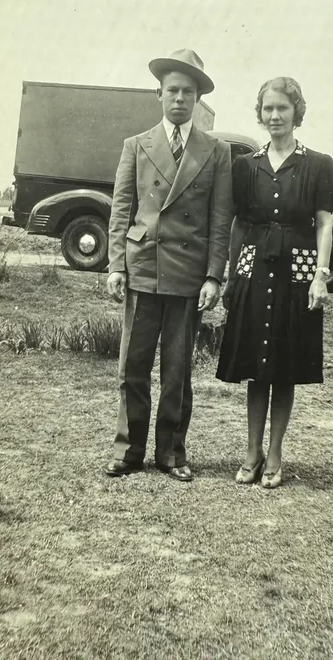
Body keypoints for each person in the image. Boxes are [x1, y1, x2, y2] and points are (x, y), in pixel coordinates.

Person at [105, 49, 232, 482]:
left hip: (187, 274)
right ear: (158, 94)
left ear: (198, 99)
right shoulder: (136, 145)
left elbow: (220, 219)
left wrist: (214, 275)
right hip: (142, 267)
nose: (180, 99)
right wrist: (116, 265)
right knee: (132, 367)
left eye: (188, 92)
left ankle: (172, 453)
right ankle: (128, 450)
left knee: (177, 371)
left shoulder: (216, 151)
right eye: (172, 90)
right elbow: (122, 210)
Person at [216, 77, 333, 488]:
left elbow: (324, 224)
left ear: (296, 112)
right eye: (268, 108)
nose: (274, 116)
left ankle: (275, 454)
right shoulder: (246, 165)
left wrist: (320, 277)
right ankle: (251, 453)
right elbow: (237, 224)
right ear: (260, 112)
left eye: (282, 108)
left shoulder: (318, 164)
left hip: (298, 268)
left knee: (284, 365)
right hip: (254, 264)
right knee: (255, 364)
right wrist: (233, 274)